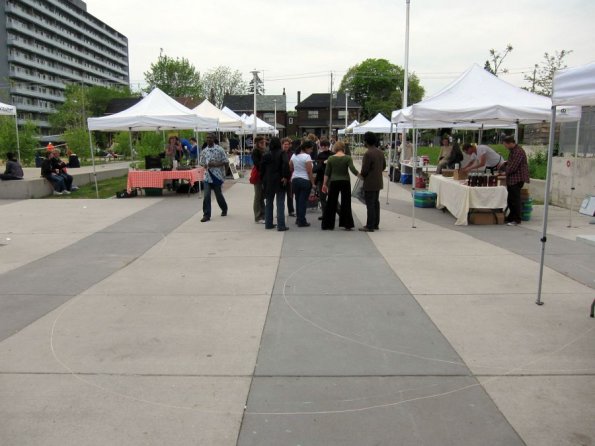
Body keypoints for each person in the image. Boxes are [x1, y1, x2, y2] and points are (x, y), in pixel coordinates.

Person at [321, 141, 359, 231]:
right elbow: (353, 169)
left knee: (331, 202)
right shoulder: (348, 158)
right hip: (345, 181)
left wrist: (324, 184)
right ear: (343, 148)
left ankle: (328, 224)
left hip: (334, 181)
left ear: (335, 148)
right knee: (346, 202)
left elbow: (327, 173)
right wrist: (361, 176)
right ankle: (347, 224)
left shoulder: (330, 158)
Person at [261, 137, 290, 231]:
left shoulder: (266, 154)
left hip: (268, 180)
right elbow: (286, 164)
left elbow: (261, 168)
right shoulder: (282, 153)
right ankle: (281, 225)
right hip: (279, 179)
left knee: (269, 202)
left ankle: (268, 223)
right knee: (280, 202)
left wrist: (263, 179)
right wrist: (285, 176)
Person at [359, 132, 386, 232]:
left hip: (369, 182)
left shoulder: (368, 153)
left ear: (366, 141)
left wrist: (362, 175)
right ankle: (375, 224)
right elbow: (384, 166)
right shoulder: (380, 152)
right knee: (375, 203)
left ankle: (369, 225)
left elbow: (365, 170)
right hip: (378, 181)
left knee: (370, 204)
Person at [500, 136, 530, 226]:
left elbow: (513, 166)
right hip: (512, 179)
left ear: (510, 143)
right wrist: (504, 164)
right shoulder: (513, 151)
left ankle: (517, 219)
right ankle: (511, 217)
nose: (505, 147)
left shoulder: (518, 151)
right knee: (510, 199)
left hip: (517, 178)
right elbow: (510, 163)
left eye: (505, 145)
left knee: (515, 199)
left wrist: (505, 172)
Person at [199, 134, 228, 222]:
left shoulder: (219, 149)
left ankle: (224, 208)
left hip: (217, 176)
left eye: (210, 138)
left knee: (218, 195)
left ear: (214, 139)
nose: (208, 139)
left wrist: (216, 165)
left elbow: (226, 162)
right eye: (207, 138)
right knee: (206, 195)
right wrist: (204, 165)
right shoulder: (204, 151)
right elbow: (201, 162)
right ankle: (206, 215)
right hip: (207, 176)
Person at [289, 141, 316, 227]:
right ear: (306, 148)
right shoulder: (307, 157)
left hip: (295, 179)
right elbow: (309, 172)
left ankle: (298, 219)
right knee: (303, 201)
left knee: (297, 200)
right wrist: (313, 183)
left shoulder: (294, 155)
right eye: (311, 149)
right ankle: (302, 220)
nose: (311, 150)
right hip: (304, 180)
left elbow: (290, 167)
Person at [314, 139, 332, 219]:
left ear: (328, 146)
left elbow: (317, 167)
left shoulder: (322, 155)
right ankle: (325, 214)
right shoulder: (331, 154)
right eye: (322, 146)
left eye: (325, 146)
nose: (324, 147)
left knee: (326, 197)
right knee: (323, 197)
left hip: (326, 178)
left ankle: (326, 214)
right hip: (324, 177)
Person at [251, 136, 267, 224]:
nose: (263, 143)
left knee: (262, 196)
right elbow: (257, 164)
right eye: (261, 142)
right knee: (258, 196)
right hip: (258, 175)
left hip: (263, 175)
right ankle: (257, 216)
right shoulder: (256, 151)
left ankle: (263, 214)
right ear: (257, 143)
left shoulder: (264, 150)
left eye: (264, 142)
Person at [281, 137, 295, 217]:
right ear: (282, 145)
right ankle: (280, 211)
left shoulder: (292, 154)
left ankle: (291, 210)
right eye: (284, 144)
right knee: (281, 195)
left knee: (290, 195)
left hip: (290, 176)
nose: (286, 146)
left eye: (287, 144)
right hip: (282, 177)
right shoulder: (280, 153)